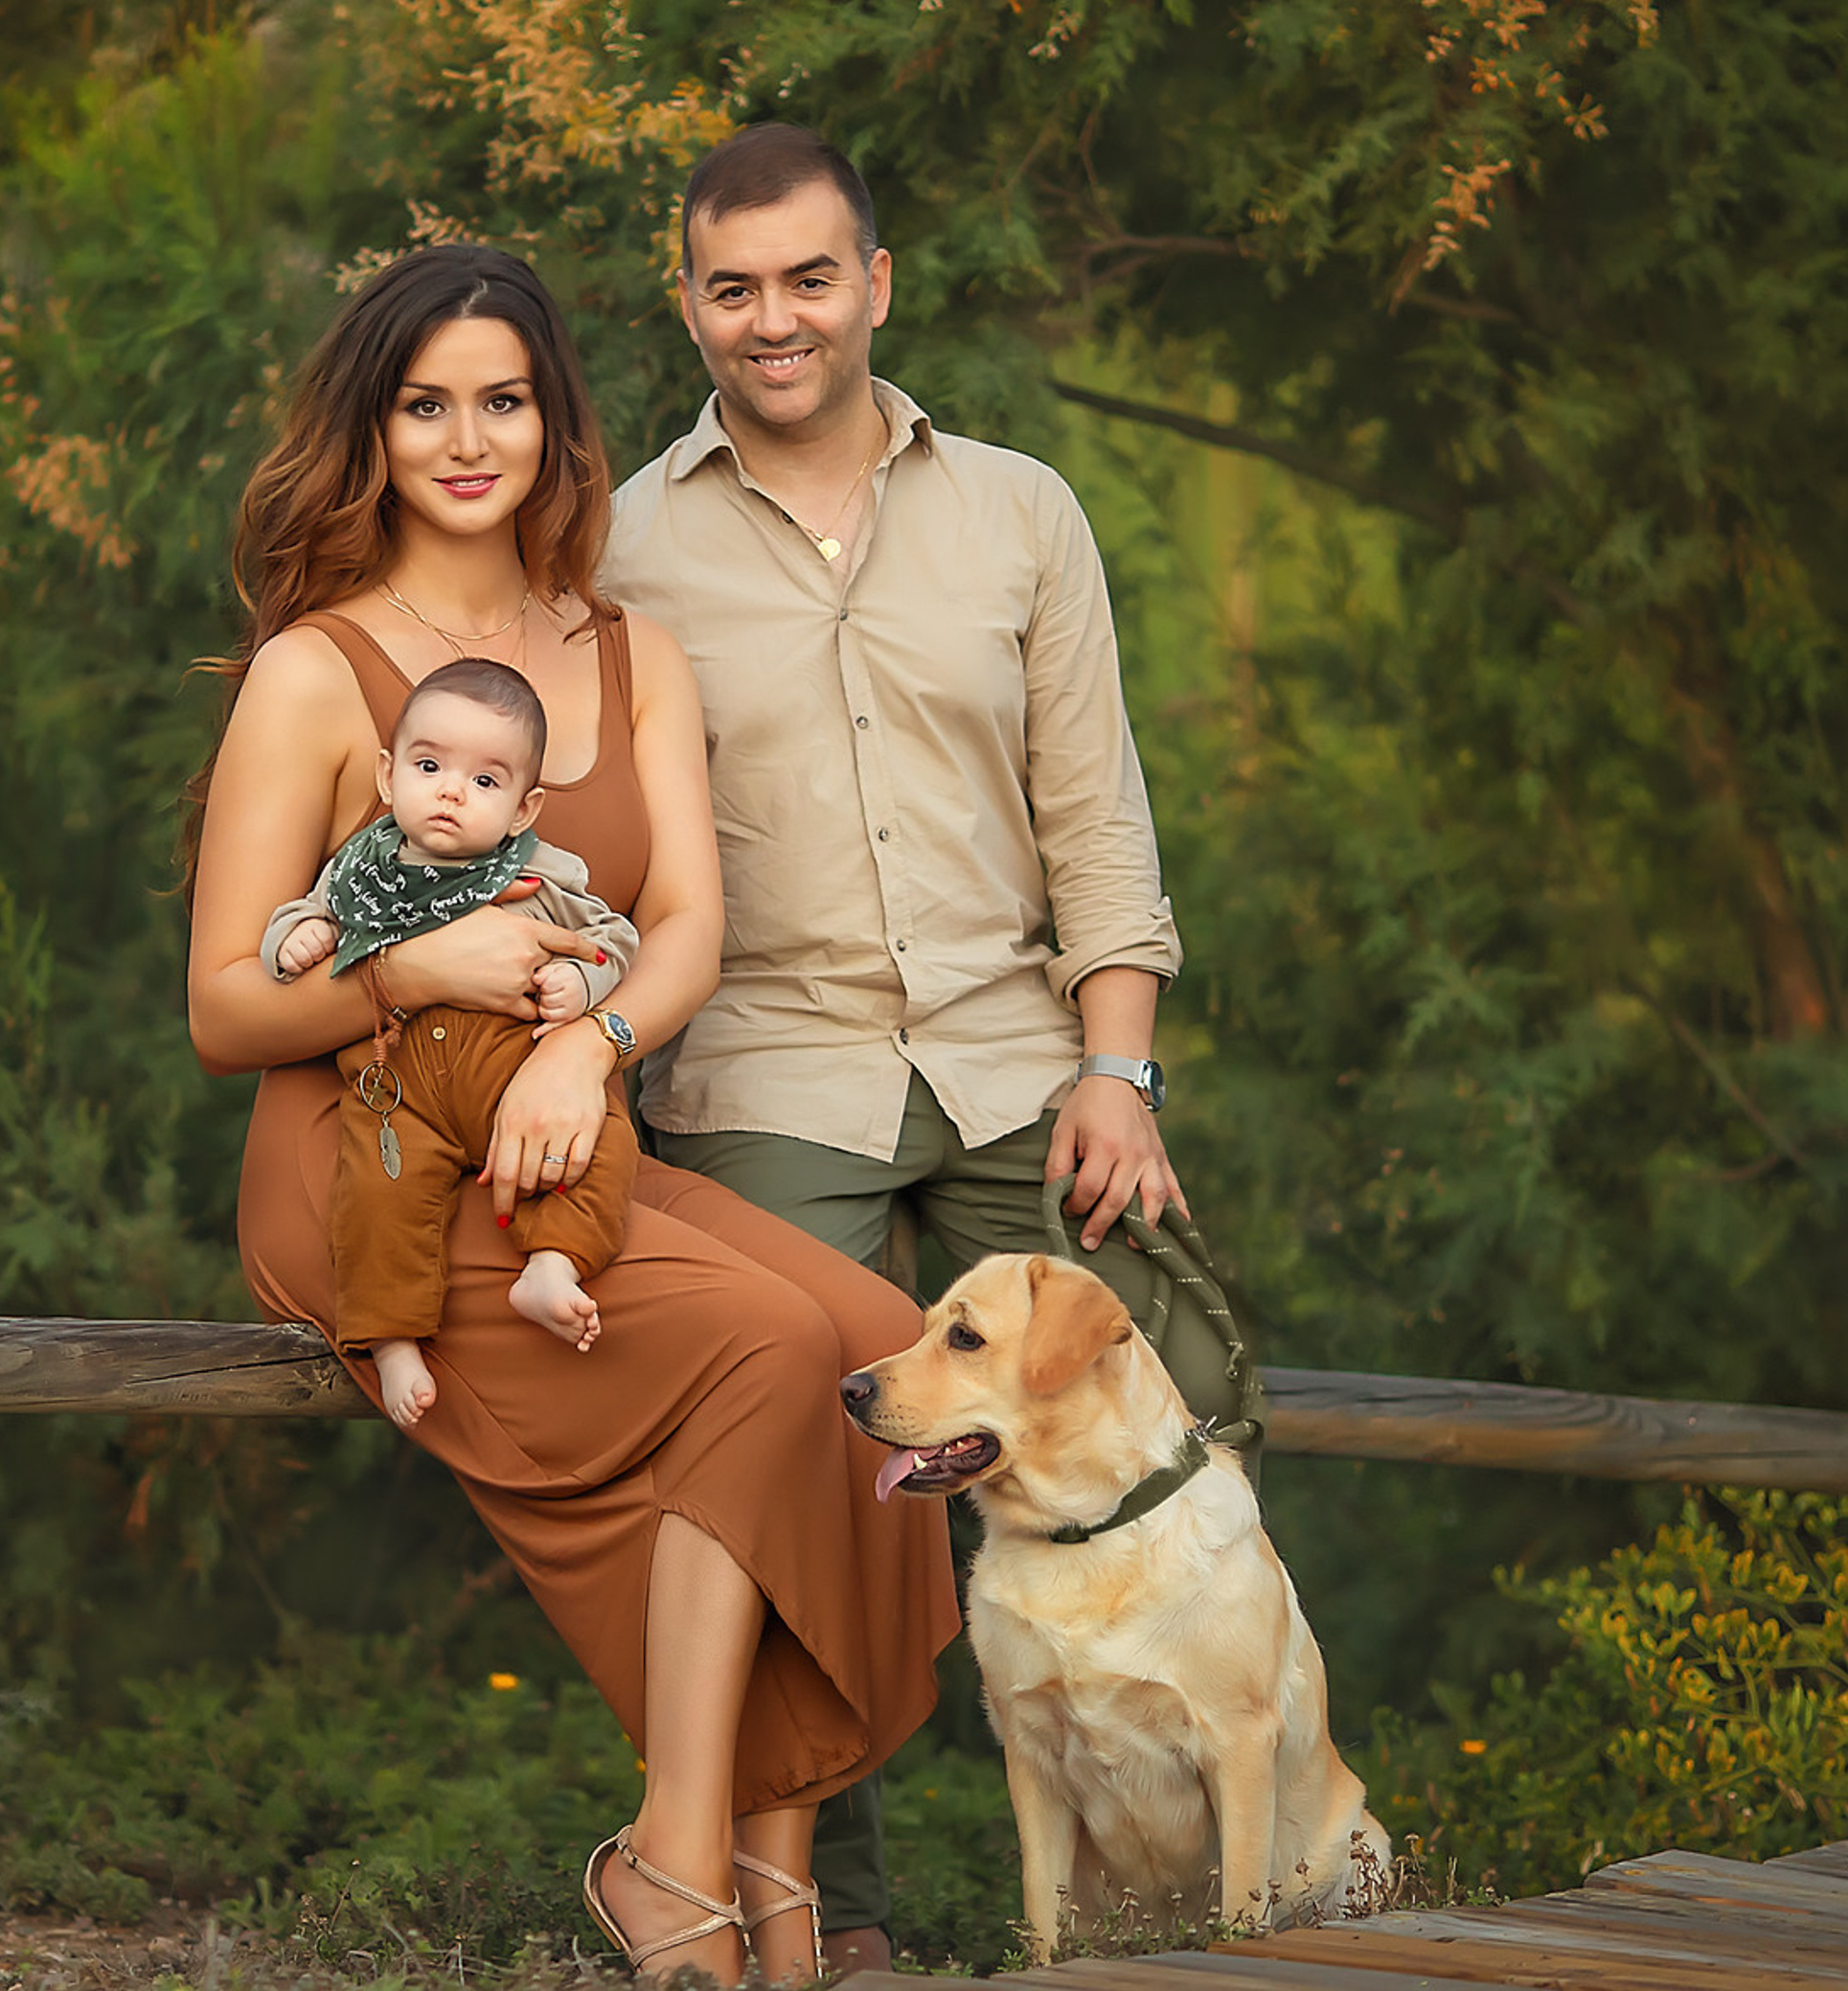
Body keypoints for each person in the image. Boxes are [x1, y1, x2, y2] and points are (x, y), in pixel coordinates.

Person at [185, 241, 958, 1987]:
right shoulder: (318, 673)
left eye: (506, 400)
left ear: (555, 420)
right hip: (365, 1163)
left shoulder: (628, 653)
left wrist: (581, 1042)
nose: (472, 439)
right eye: (427, 403)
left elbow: (685, 925)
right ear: (373, 431)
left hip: (556, 1143)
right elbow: (226, 1007)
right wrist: (429, 975)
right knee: (766, 1346)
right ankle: (676, 1869)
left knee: (872, 1340)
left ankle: (773, 1878)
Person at [603, 122, 1247, 1971]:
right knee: (802, 1455)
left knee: (1162, 1418)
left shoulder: (1021, 510)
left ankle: (1190, 1904)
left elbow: (1095, 818)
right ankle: (840, 1918)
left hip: (1013, 1054)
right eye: (735, 287)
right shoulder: (621, 539)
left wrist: (1117, 1074)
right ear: (690, 303)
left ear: (876, 283)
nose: (775, 318)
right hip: (760, 1068)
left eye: (812, 277)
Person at [262, 656, 642, 1424]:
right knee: (373, 1195)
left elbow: (613, 939)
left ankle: (551, 1266)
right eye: (429, 765)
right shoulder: (358, 876)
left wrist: (585, 984)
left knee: (594, 1147)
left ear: (524, 808)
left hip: (514, 1075)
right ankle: (393, 1338)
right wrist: (300, 936)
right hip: (399, 1085)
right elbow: (288, 924)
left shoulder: (544, 873)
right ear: (387, 773)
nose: (450, 791)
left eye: (485, 781)